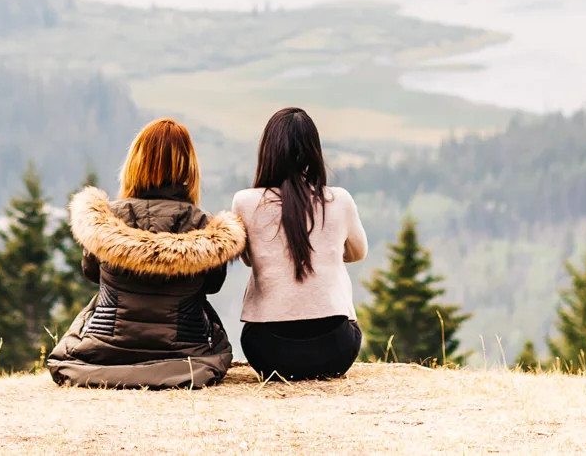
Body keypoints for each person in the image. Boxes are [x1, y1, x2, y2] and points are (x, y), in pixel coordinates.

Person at [46, 117, 245, 388]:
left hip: (103, 352)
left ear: (134, 163)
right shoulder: (205, 226)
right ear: (189, 168)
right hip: (187, 356)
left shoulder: (106, 219)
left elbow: (92, 273)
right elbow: (212, 285)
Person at [232, 106, 369, 381]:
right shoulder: (339, 199)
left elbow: (248, 259)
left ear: (267, 150)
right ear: (313, 150)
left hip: (267, 351)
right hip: (336, 348)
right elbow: (358, 253)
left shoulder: (244, 202)